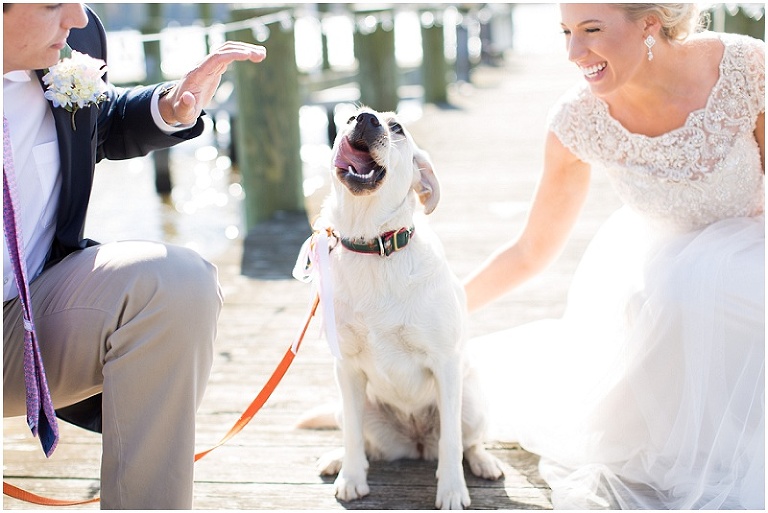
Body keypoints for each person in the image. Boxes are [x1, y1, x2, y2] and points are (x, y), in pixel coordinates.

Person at [464, 3, 764, 509]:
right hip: (664, 291)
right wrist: (435, 309)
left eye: (592, 30)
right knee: (683, 289)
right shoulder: (577, 121)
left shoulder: (744, 71)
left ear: (650, 23)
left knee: (717, 283)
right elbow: (531, 250)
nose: (574, 52)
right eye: (565, 32)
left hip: (755, 260)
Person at [3, 4, 266, 509]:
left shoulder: (77, 44)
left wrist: (170, 107)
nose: (78, 17)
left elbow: (93, 127)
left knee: (176, 283)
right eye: (53, 2)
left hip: (26, 324)